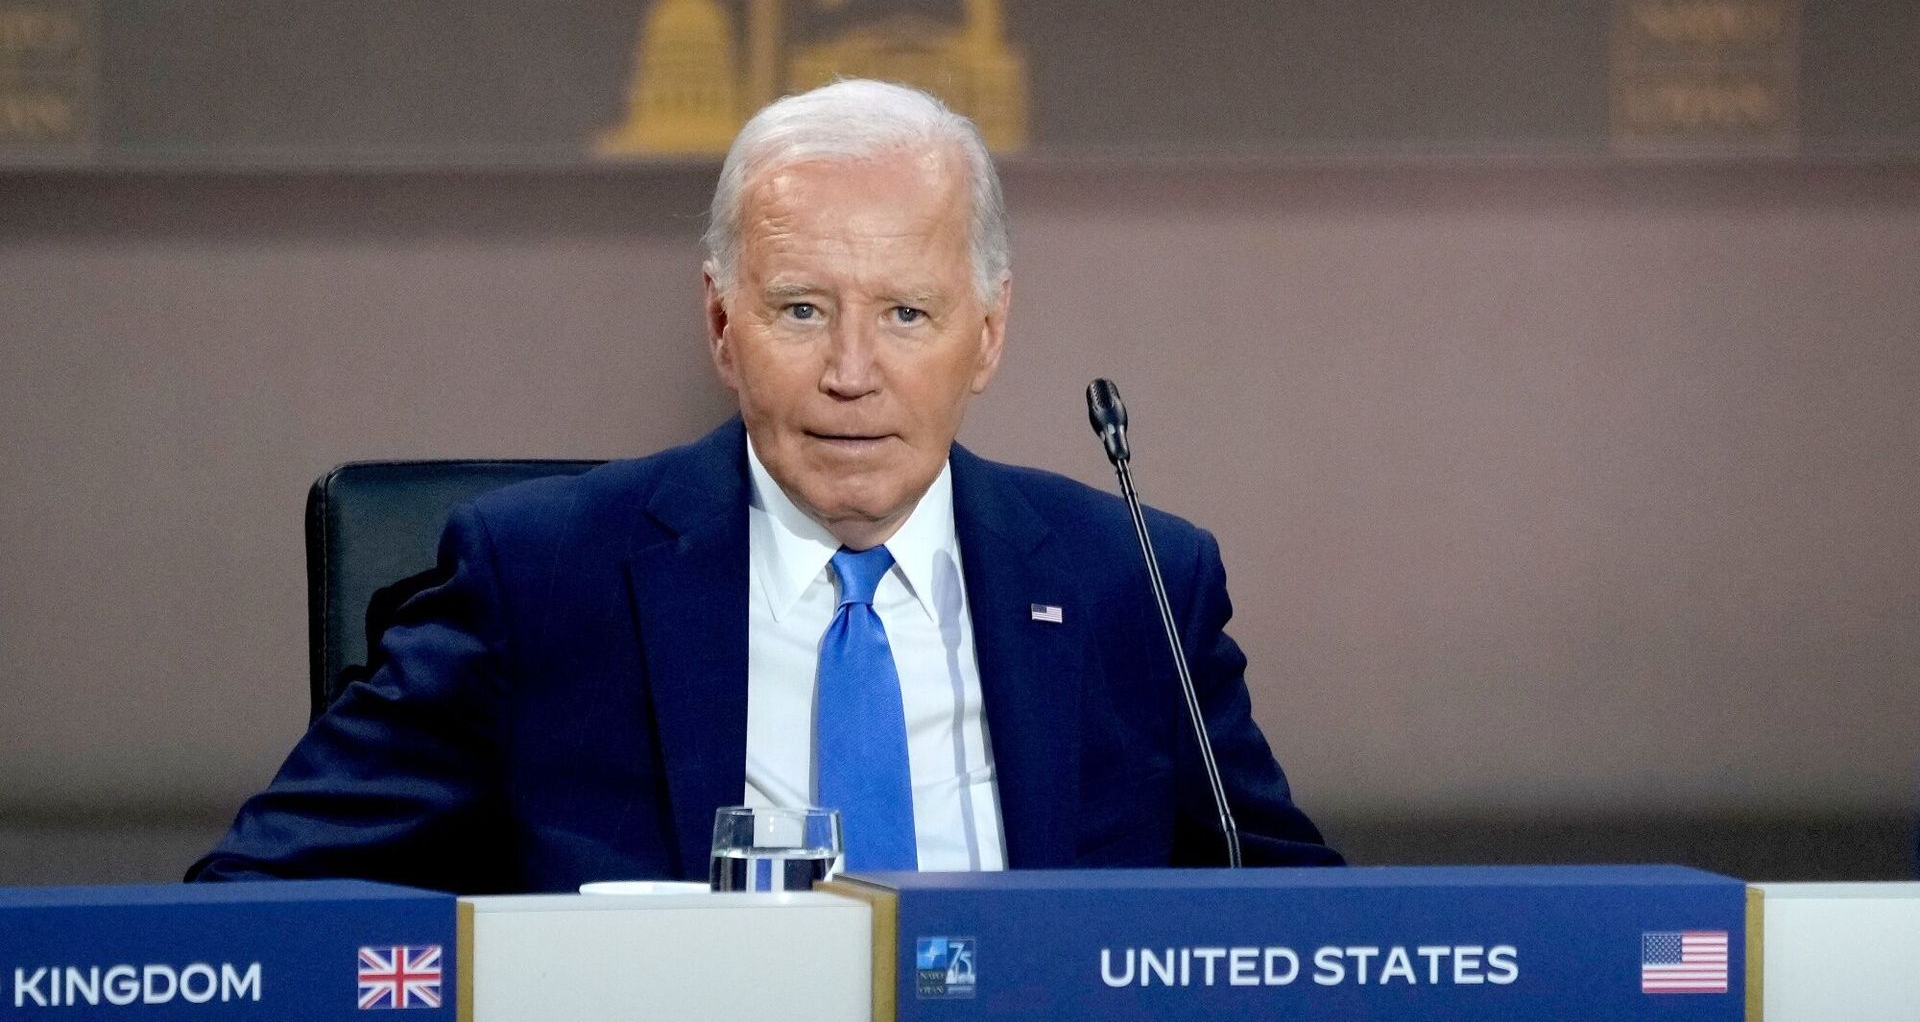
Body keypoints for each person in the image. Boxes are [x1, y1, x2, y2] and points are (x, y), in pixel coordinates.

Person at [189, 79, 1338, 891]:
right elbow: (252, 908)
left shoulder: (1132, 582)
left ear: (986, 338)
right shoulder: (539, 582)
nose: (852, 373)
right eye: (800, 310)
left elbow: (1312, 939)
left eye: (906, 314)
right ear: (721, 325)